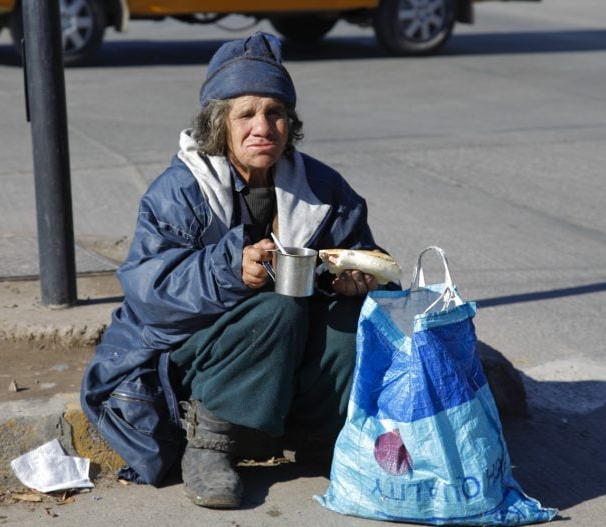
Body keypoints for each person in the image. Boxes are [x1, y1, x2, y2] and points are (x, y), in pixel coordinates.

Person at [80, 31, 396, 510]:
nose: (262, 127)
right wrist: (228, 270)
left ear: (290, 123)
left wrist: (352, 280)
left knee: (350, 326)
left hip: (278, 356)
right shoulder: (180, 192)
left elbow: (358, 250)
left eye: (275, 113)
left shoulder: (324, 188)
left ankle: (314, 439)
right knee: (278, 310)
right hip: (189, 354)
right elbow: (151, 291)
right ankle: (211, 443)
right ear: (218, 124)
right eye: (246, 114)